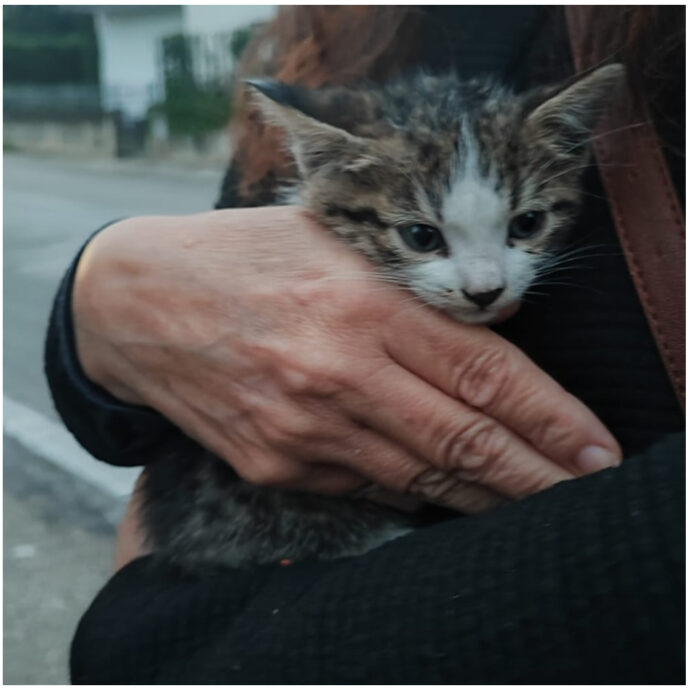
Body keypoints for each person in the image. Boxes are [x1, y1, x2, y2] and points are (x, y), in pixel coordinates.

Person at [45, 6, 684, 683]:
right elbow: (165, 391)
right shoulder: (339, 33)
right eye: (423, 236)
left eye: (524, 224)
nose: (484, 283)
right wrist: (95, 303)